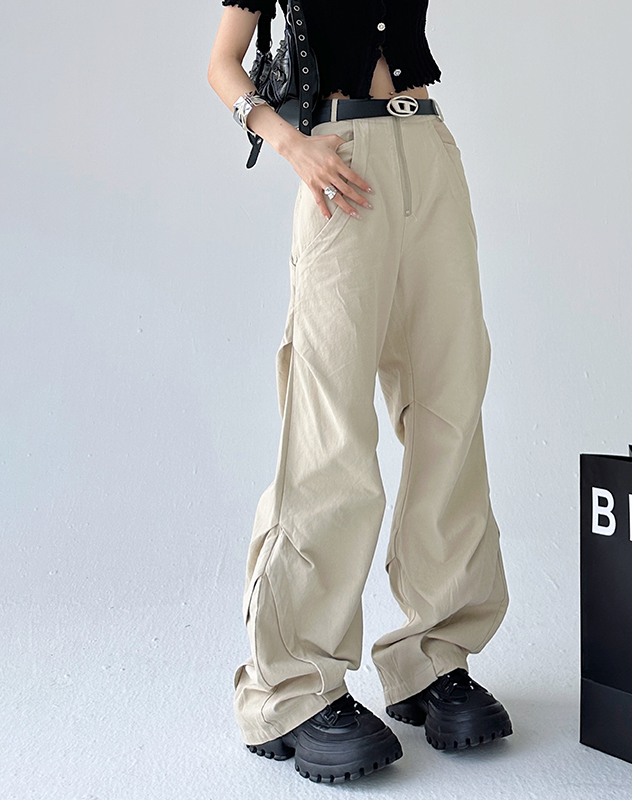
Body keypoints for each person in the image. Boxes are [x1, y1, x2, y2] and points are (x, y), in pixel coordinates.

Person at [207, 0, 513, 784]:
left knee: (449, 405)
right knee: (330, 423)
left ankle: (433, 657)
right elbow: (223, 64)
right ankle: (293, 687)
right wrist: (289, 144)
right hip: (339, 161)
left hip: (429, 149)